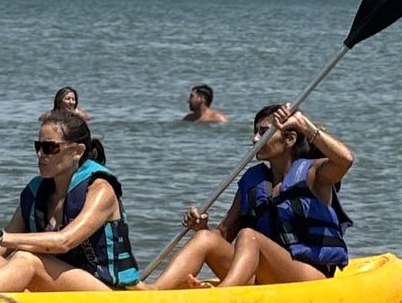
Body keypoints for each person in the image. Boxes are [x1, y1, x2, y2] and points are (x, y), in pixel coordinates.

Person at [141, 103, 354, 289]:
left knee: (249, 236)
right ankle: (154, 290)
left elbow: (345, 160)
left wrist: (304, 125)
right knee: (206, 239)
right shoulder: (253, 181)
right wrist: (202, 228)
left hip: (309, 274)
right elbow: (222, 236)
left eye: (263, 132)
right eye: (255, 132)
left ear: (289, 138)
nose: (255, 139)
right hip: (265, 274)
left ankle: (222, 296)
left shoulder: (313, 174)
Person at [0, 109, 140, 292]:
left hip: (107, 292)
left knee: (28, 258)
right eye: (38, 147)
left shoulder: (100, 189)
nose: (41, 155)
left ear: (77, 151)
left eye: (50, 148)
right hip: (61, 285)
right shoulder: (37, 192)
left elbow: (65, 241)